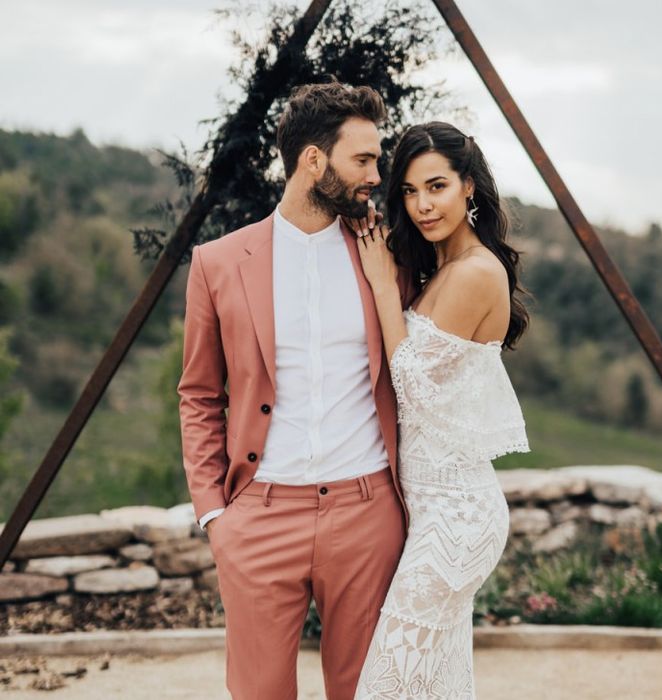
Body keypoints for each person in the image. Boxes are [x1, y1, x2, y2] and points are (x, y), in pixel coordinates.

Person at [177, 81, 417, 700]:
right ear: (314, 160)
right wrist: (214, 514)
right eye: (363, 159)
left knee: (365, 691)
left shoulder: (385, 253)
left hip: (367, 512)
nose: (375, 174)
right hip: (258, 516)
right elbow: (200, 394)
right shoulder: (218, 262)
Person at [345, 121, 531, 699]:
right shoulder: (440, 271)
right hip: (431, 512)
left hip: (457, 518)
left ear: (468, 187)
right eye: (408, 190)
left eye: (437, 187)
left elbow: (412, 386)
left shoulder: (476, 272)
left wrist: (380, 285)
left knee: (387, 683)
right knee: (437, 686)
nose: (422, 205)